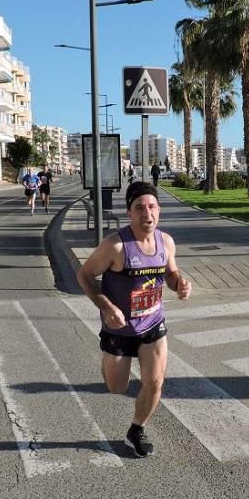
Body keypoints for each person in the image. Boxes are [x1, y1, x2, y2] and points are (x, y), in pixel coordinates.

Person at [76, 181, 191, 458]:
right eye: (139, 208)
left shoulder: (166, 242)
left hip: (153, 324)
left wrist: (181, 284)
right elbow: (84, 275)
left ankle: (136, 429)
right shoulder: (116, 245)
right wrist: (104, 305)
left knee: (154, 382)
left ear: (159, 210)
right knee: (118, 387)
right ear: (129, 213)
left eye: (151, 206)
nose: (146, 213)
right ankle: (108, 359)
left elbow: (171, 273)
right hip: (119, 329)